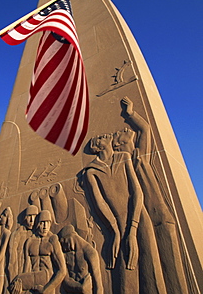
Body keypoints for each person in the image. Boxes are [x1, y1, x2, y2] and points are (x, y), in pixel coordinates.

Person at [116, 96, 188, 293]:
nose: (124, 129)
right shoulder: (124, 166)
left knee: (174, 273)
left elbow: (145, 129)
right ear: (118, 145)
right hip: (145, 220)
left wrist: (131, 113)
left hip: (161, 217)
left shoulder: (140, 155)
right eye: (121, 133)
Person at [83, 133, 166, 294]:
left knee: (151, 268)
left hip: (137, 215)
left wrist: (133, 229)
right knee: (126, 273)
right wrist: (114, 231)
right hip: (116, 223)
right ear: (98, 147)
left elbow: (137, 192)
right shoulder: (91, 172)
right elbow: (100, 203)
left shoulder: (124, 157)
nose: (105, 135)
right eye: (100, 138)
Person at [9, 210, 66, 294]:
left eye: (48, 223)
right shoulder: (30, 241)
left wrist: (46, 290)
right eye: (42, 222)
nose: (45, 226)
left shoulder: (52, 240)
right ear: (38, 223)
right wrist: (19, 283)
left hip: (47, 282)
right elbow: (26, 267)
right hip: (31, 284)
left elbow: (62, 270)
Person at [59, 224, 103, 294]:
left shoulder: (90, 252)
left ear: (71, 237)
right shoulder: (65, 255)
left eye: (65, 241)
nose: (64, 247)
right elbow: (66, 280)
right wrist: (80, 287)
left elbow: (98, 284)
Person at [7, 205, 38, 283]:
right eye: (29, 216)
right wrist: (14, 281)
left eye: (34, 216)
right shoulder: (17, 234)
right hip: (18, 276)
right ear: (25, 218)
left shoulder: (38, 234)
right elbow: (12, 261)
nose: (32, 220)